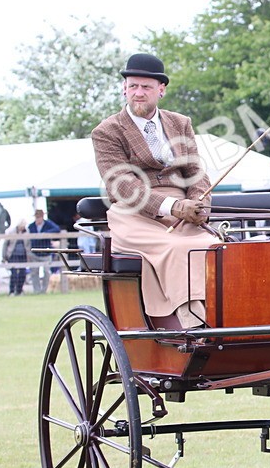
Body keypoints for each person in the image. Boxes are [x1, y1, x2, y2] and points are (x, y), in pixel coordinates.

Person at [91, 53, 219, 328]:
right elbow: (122, 185)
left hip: (184, 213)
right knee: (176, 248)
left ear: (161, 90)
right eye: (133, 86)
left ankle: (227, 314)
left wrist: (199, 204)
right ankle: (192, 321)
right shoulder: (107, 131)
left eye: (146, 87)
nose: (138, 93)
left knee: (215, 247)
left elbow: (196, 172)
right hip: (134, 214)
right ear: (124, 88)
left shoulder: (179, 123)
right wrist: (171, 206)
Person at [27, 209, 62, 294]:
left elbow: (57, 229)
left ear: (42, 217)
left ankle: (44, 290)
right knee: (34, 272)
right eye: (37, 217)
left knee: (47, 272)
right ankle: (37, 290)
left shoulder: (47, 224)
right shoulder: (31, 226)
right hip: (35, 253)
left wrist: (45, 234)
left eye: (39, 217)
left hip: (46, 252)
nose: (38, 219)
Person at [2, 220, 30, 295]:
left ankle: (19, 290)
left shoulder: (27, 233)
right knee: (14, 274)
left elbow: (28, 245)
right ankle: (11, 291)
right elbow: (5, 244)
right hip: (13, 255)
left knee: (22, 274)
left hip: (23, 255)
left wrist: (29, 256)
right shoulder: (11, 232)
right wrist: (4, 256)